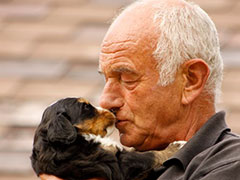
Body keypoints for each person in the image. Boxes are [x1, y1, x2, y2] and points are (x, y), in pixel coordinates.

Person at [40, 0, 240, 179]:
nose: (106, 101)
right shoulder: (106, 163)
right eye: (106, 79)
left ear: (191, 80)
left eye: (127, 79)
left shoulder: (229, 165)